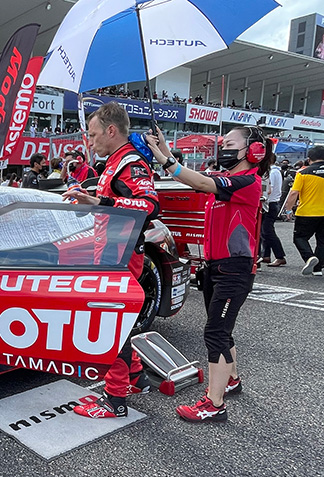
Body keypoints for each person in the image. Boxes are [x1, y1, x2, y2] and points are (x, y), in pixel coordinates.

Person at [145, 125, 272, 422]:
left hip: (233, 269)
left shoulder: (245, 182)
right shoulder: (229, 179)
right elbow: (194, 178)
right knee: (221, 330)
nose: (223, 148)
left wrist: (164, 160)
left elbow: (200, 182)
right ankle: (231, 380)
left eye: (230, 144)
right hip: (217, 266)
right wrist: (164, 147)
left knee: (216, 333)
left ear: (254, 151)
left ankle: (215, 405)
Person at [63, 102, 159, 419]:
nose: (90, 142)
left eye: (93, 135)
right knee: (120, 324)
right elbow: (111, 204)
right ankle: (136, 378)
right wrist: (89, 200)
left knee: (111, 325)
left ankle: (115, 398)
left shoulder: (131, 162)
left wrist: (100, 200)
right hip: (111, 253)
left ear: (111, 131)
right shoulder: (114, 161)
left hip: (122, 255)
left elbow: (149, 206)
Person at [282, 146, 324, 276]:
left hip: (307, 212)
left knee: (300, 238)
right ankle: (317, 269)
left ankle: (309, 257)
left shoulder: (303, 173)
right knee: (322, 241)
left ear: (309, 159)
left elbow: (294, 193)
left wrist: (288, 210)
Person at [258, 154, 287, 267]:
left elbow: (269, 190)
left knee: (267, 231)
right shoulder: (276, 171)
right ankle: (266, 255)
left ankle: (280, 256)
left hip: (269, 204)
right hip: (272, 203)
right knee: (263, 231)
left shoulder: (272, 172)